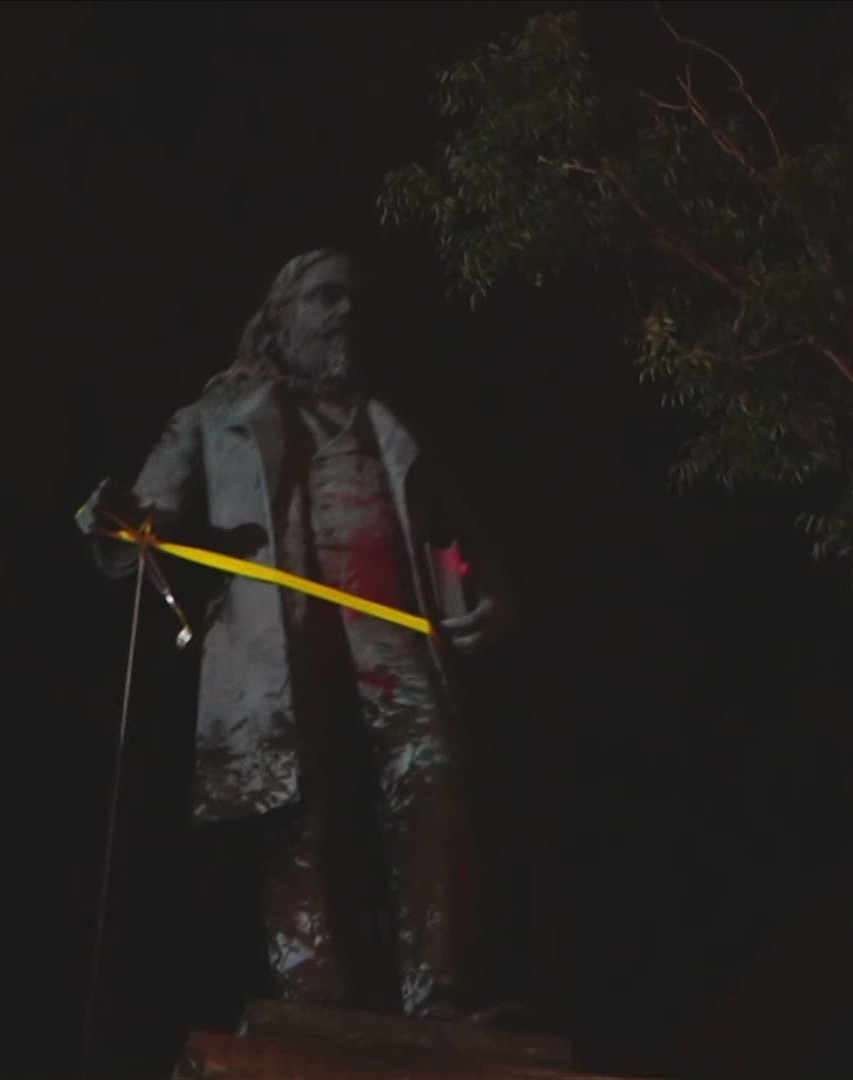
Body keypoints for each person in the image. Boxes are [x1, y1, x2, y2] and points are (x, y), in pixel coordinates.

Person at [76, 249, 509, 1020]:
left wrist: (485, 597)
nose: (346, 313)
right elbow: (149, 512)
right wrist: (124, 522)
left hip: (394, 633)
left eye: (354, 300)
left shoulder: (391, 424)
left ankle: (438, 991)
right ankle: (315, 999)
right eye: (325, 298)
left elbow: (462, 542)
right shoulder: (215, 415)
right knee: (295, 804)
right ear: (279, 321)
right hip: (281, 633)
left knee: (433, 779)